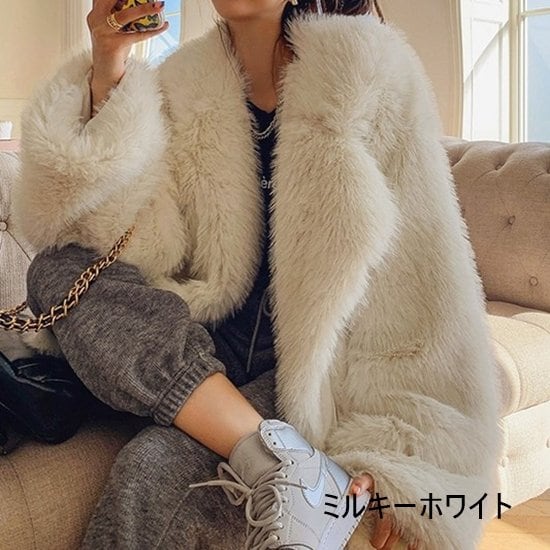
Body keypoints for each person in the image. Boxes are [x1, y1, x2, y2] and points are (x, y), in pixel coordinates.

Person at [11, 0, 504, 548]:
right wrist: (109, 62)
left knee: (152, 471)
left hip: (302, 367)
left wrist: (401, 455)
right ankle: (281, 461)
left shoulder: (369, 73)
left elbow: (424, 282)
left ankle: (261, 449)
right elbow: (125, 239)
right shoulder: (184, 80)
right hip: (196, 338)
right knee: (58, 268)